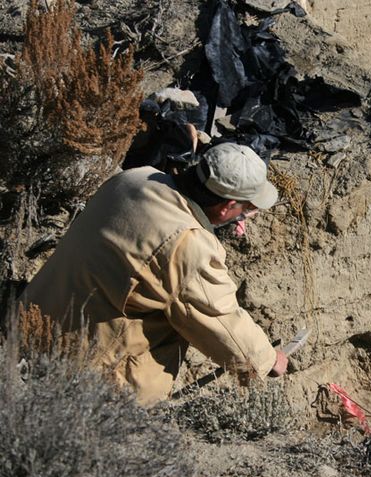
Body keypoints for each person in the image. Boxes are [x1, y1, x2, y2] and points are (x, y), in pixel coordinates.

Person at [20, 142, 288, 406]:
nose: (245, 216)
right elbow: (218, 317)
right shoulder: (187, 243)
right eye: (247, 209)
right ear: (226, 207)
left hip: (28, 328)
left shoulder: (133, 179)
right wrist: (266, 360)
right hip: (84, 376)